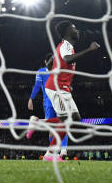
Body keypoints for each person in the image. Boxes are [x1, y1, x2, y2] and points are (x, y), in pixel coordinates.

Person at [30, 21, 100, 162]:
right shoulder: (65, 46)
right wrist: (90, 49)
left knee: (76, 118)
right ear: (67, 32)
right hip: (56, 88)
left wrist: (63, 79)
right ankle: (50, 153)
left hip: (63, 87)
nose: (77, 30)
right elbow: (67, 60)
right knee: (65, 120)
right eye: (74, 28)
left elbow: (50, 64)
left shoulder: (64, 47)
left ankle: (39, 123)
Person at [26, 55, 68, 156]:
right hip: (58, 100)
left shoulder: (41, 71)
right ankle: (62, 150)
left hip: (48, 102)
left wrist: (31, 98)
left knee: (53, 127)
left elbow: (37, 86)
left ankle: (56, 152)